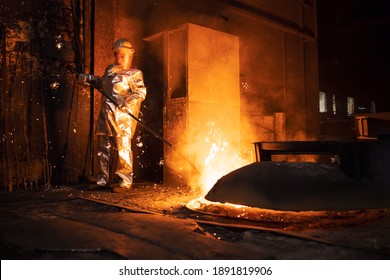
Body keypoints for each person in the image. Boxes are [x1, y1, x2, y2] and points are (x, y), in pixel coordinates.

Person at [79, 38, 147, 192]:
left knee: (123, 148)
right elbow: (102, 83)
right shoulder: (111, 70)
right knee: (103, 147)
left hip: (122, 117)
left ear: (129, 55)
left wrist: (127, 103)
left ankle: (125, 181)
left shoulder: (134, 73)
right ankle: (102, 180)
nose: (118, 58)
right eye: (117, 55)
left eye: (122, 55)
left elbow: (140, 92)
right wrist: (89, 79)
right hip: (106, 115)